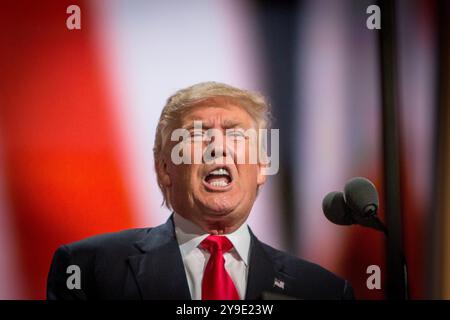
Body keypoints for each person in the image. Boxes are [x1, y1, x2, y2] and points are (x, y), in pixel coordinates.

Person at [47, 82, 354, 300]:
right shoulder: (87, 269)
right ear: (165, 169)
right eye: (196, 134)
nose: (218, 148)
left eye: (235, 134)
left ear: (262, 167)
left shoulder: (321, 290)